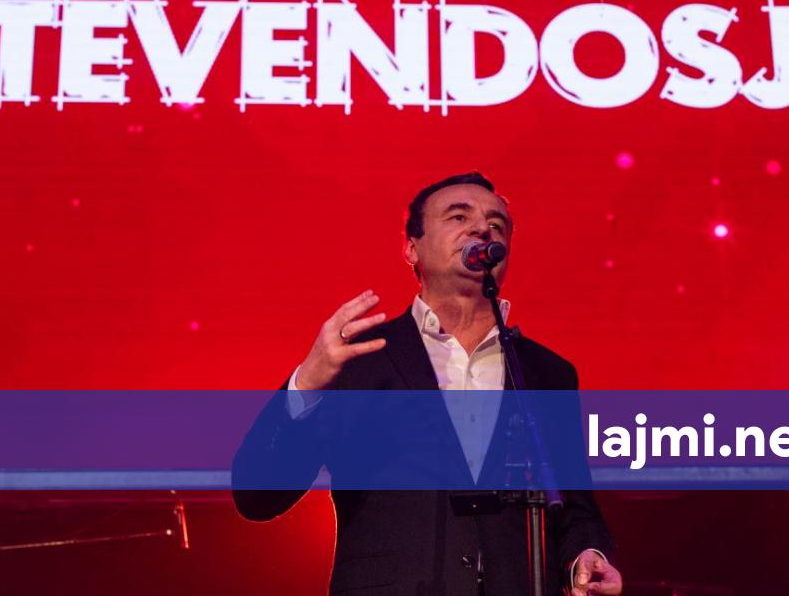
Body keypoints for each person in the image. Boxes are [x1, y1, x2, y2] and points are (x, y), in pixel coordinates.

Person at [233, 172, 622, 595]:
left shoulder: (546, 373)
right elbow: (258, 497)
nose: (482, 228)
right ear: (411, 248)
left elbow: (574, 508)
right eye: (459, 217)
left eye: (497, 224)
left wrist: (586, 557)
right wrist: (308, 381)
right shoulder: (361, 360)